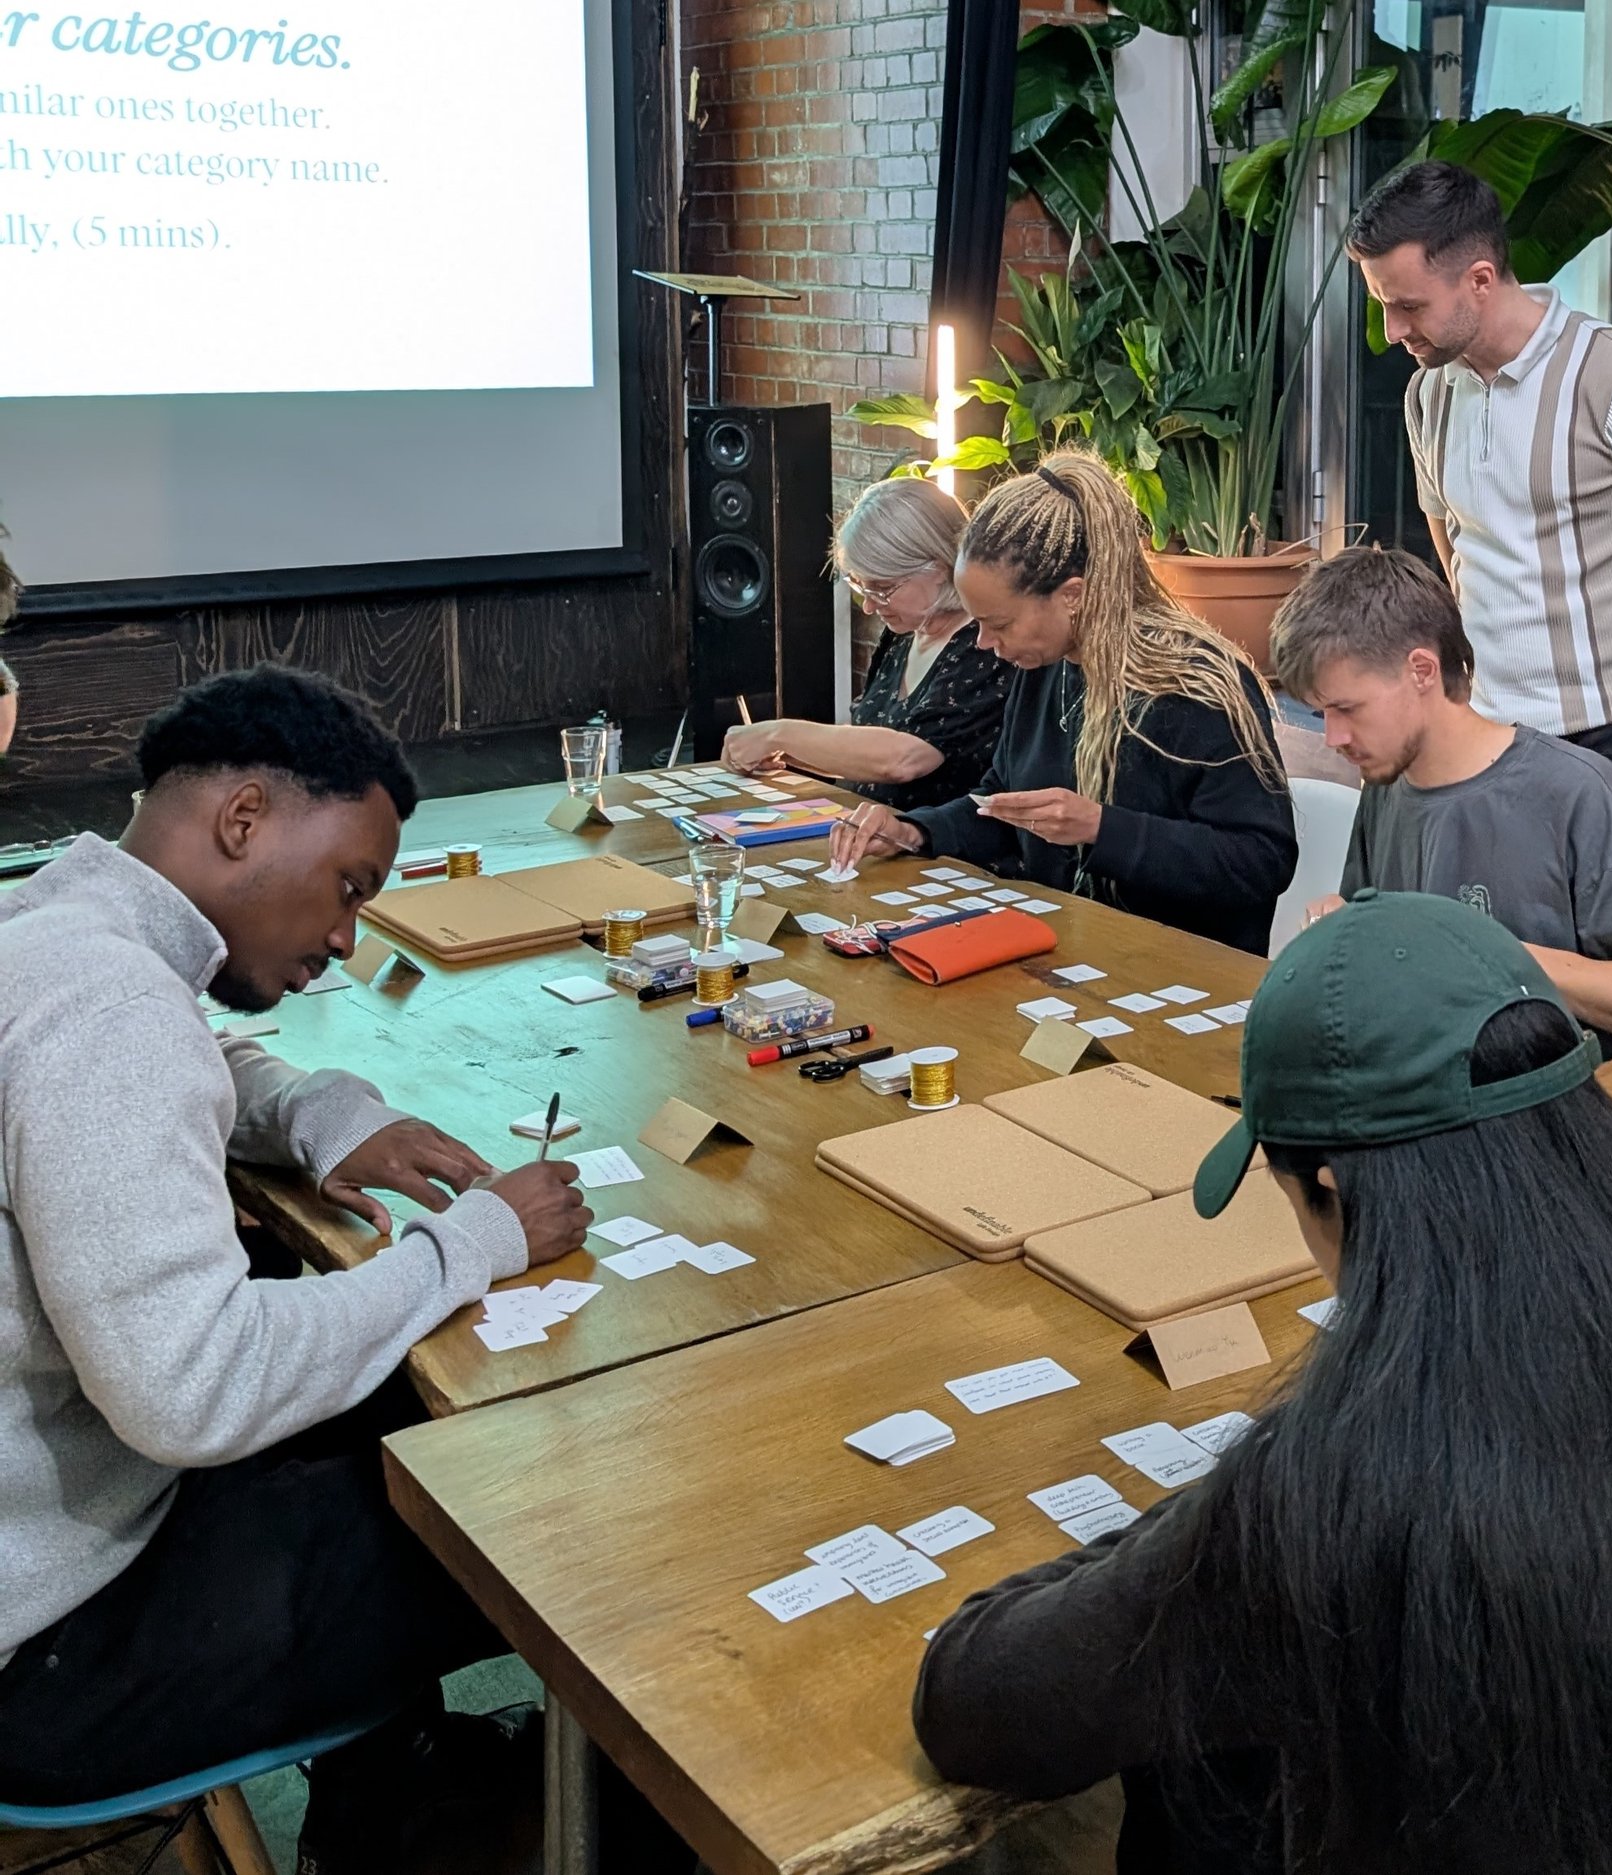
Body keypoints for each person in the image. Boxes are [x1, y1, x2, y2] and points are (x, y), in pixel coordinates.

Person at [916, 890, 1612, 1875]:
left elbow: (977, 1701)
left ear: (1328, 1187)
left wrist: (1227, 1501)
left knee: (1201, 1778)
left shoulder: (1342, 1488)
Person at [0, 667, 593, 1864]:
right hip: (52, 1668)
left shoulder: (56, 922)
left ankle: (393, 1801)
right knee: (562, 1519)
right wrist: (469, 1245)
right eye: (348, 888)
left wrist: (321, 1112)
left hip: (58, 1560)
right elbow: (192, 1388)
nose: (343, 937)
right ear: (244, 820)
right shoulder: (108, 1007)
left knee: (382, 1402)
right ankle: (550, 1830)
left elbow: (189, 1062)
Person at [1348, 159, 1612, 865]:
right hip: (1487, 737)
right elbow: (1455, 553)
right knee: (1501, 962)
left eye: (1407, 304)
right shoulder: (1429, 396)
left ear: (1479, 279)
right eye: (1382, 303)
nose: (1392, 328)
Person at [828, 452, 1297, 954]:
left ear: (1072, 595)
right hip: (1072, 950)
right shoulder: (1047, 663)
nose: (983, 643)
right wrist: (914, 830)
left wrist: (1100, 828)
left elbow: (1259, 860)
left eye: (1000, 623)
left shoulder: (1195, 684)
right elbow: (1003, 800)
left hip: (1182, 969)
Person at [1274, 546, 1612, 1052]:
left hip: (1558, 1113)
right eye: (1321, 712)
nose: (1332, 736)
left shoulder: (1575, 792)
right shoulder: (1386, 784)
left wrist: (1482, 955)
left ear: (1422, 671)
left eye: (1346, 709)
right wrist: (1344, 933)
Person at [719, 477, 1011, 813]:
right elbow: (866, 746)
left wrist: (780, 734)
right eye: (863, 589)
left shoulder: (984, 644)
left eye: (883, 588)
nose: (870, 607)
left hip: (942, 854)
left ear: (941, 567)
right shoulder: (902, 634)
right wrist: (782, 752)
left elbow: (904, 758)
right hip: (868, 834)